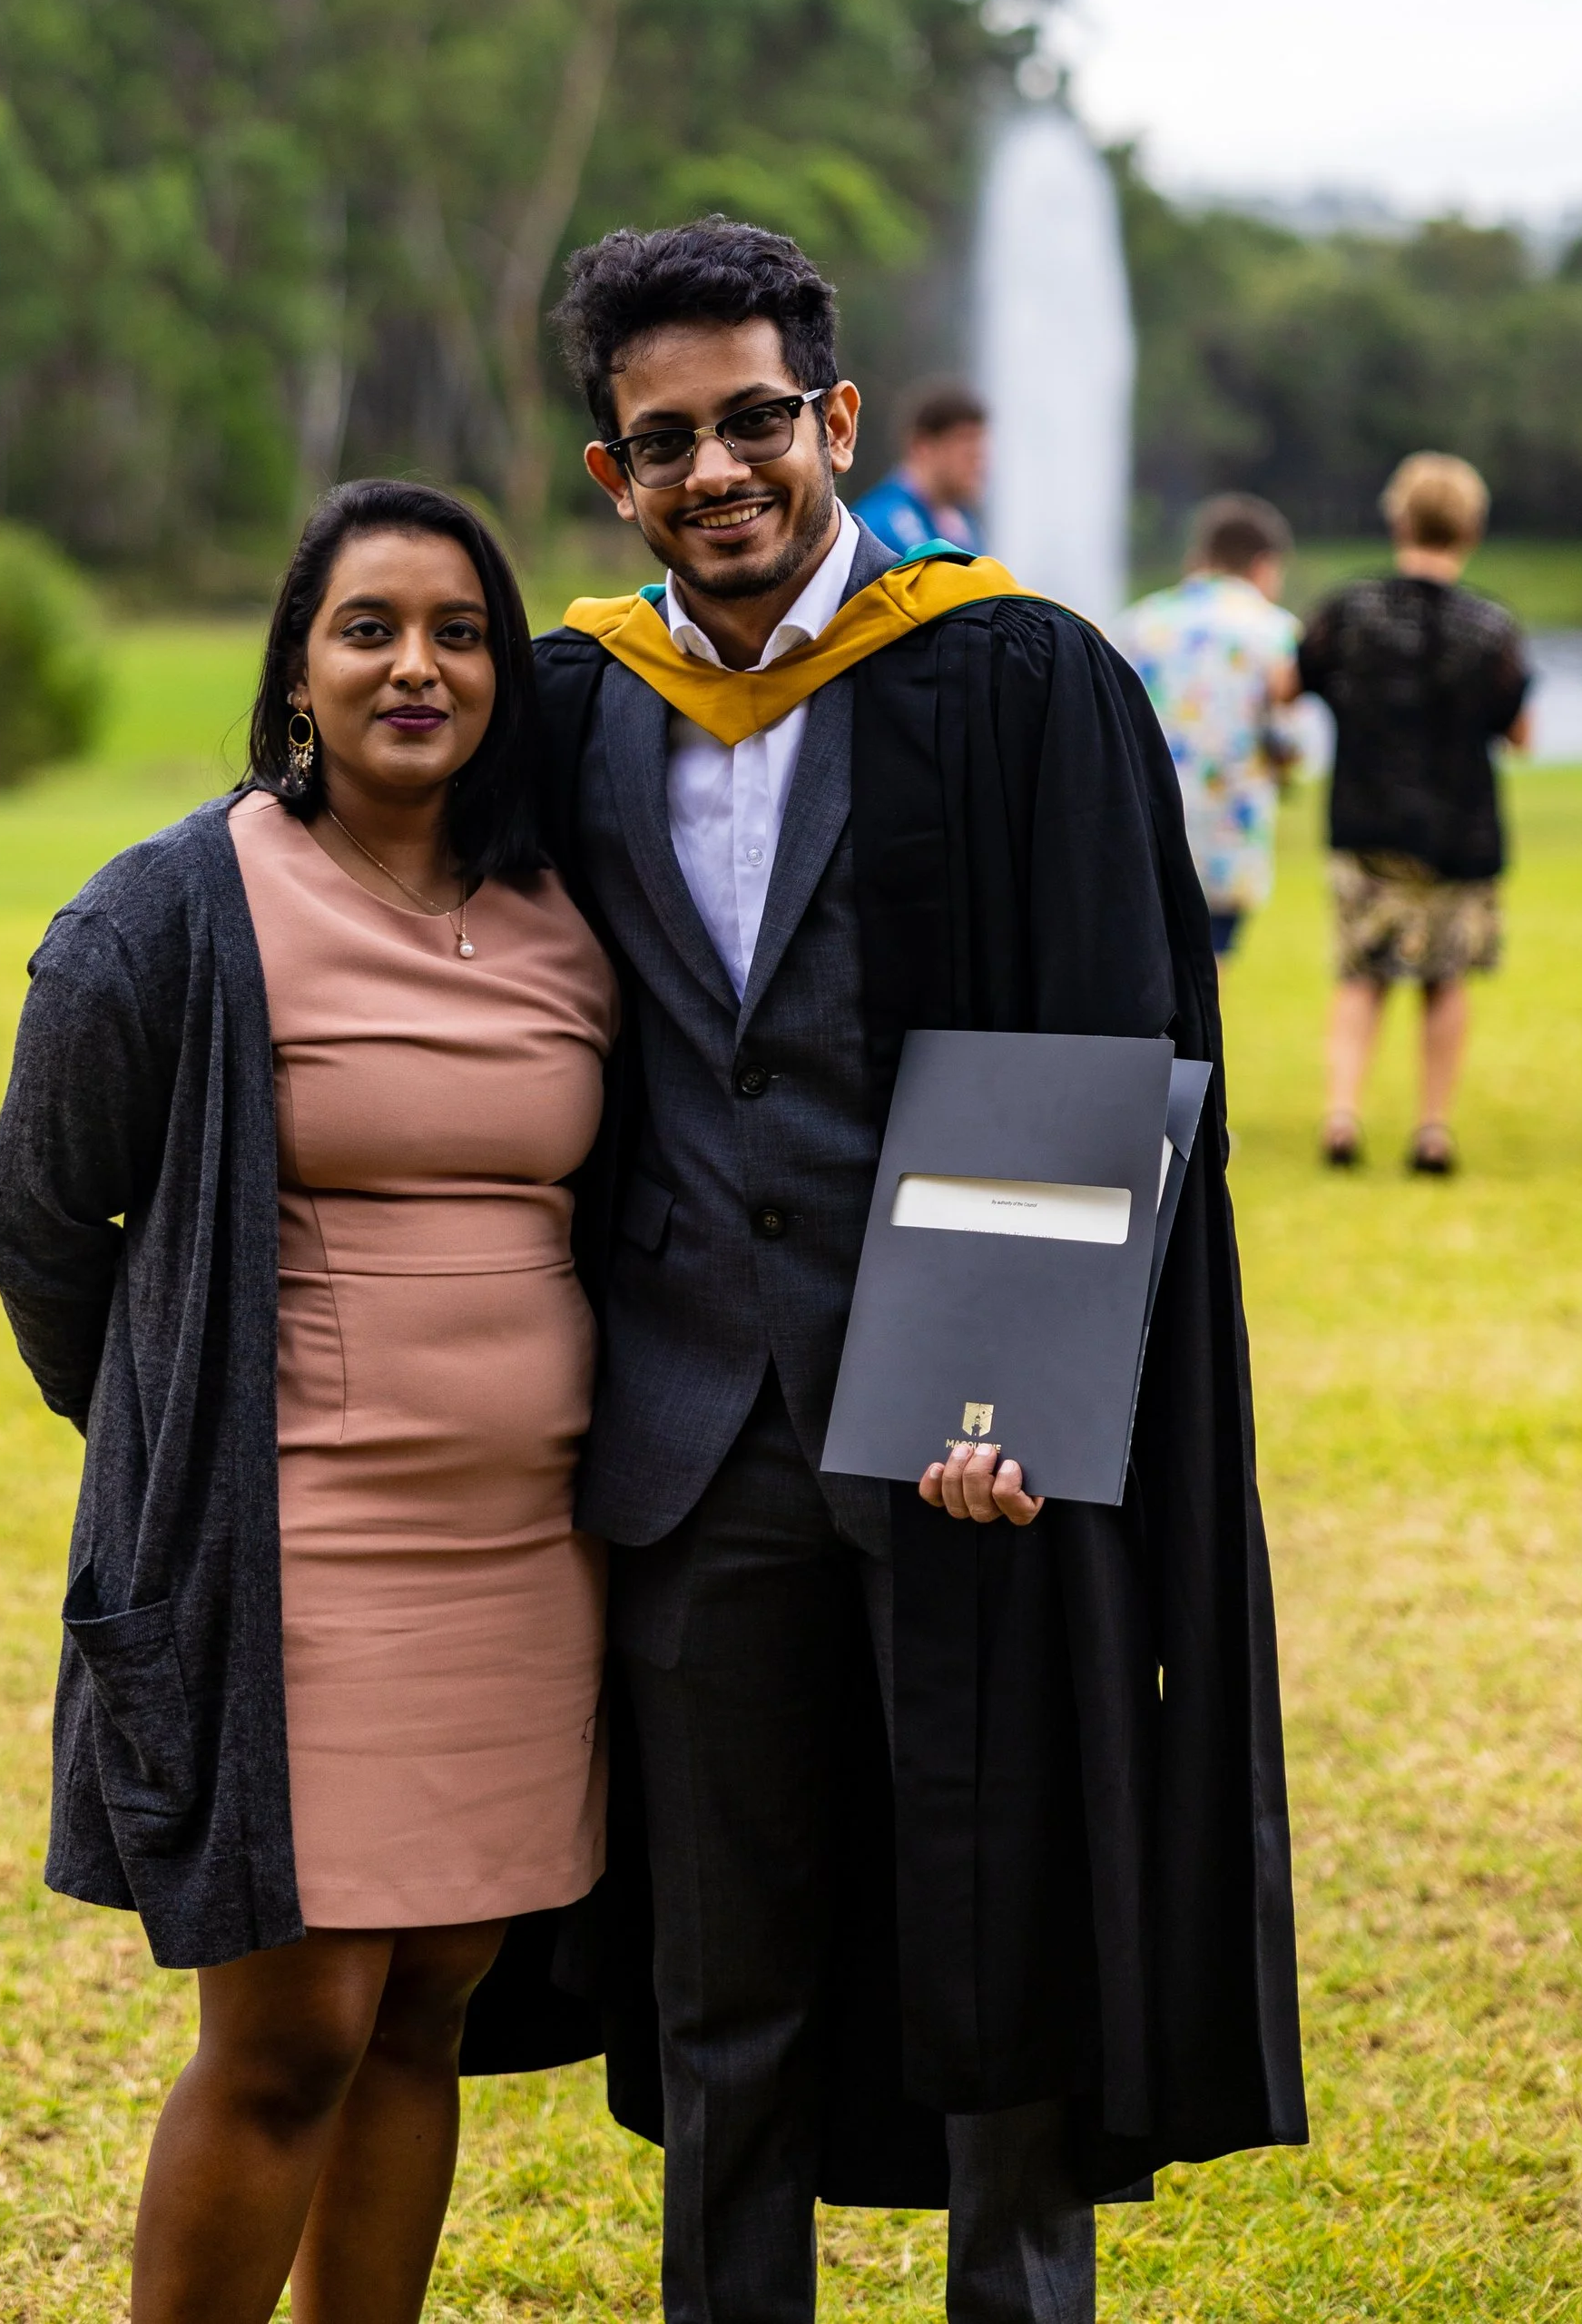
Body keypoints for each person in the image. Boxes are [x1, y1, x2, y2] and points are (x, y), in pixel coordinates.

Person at [536, 220, 1305, 2324]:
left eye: (756, 419)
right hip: (692, 1447)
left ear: (836, 420)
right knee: (726, 1986)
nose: (717, 469)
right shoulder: (575, 701)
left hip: (955, 1434)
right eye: (663, 436)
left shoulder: (1014, 673)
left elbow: (1102, 1035)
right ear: (614, 469)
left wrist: (1017, 1393)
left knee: (1002, 1940)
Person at [0, 480, 617, 2324]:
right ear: (298, 667)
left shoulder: (565, 910)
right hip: (295, 1559)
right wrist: (166, 1441)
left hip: (521, 1559)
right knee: (291, 2030)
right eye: (368, 626)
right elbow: (35, 1223)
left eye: (460, 628)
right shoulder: (179, 909)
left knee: (429, 2003)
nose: (416, 662)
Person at [1297, 450, 1531, 1177]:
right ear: (1472, 529)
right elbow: (1520, 734)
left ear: (1398, 517)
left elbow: (1289, 682)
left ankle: (1342, 1113)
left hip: (1366, 822)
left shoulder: (1347, 610)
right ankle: (1431, 1128)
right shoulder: (1493, 627)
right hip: (1461, 831)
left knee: (1361, 974)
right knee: (1444, 977)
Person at [1120, 496, 1302, 960]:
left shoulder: (1140, 623)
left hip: (1144, 831)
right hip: (1227, 838)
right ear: (1264, 565)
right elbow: (1292, 743)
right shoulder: (1274, 631)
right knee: (1208, 966)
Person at [847, 375, 990, 554]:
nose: (979, 461)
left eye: (981, 448)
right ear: (922, 447)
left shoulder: (962, 524)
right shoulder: (881, 523)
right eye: (966, 445)